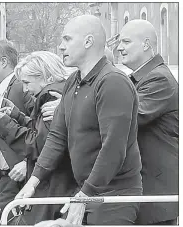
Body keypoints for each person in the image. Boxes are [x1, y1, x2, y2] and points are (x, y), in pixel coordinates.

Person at [16, 15, 143, 225]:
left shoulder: (112, 82)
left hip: (114, 197)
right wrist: (33, 182)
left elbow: (113, 148)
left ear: (88, 41)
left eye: (67, 39)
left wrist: (85, 195)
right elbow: (57, 137)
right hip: (85, 191)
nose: (60, 46)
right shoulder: (73, 81)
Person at [0, 51, 78, 224]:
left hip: (53, 185)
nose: (24, 89)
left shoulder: (50, 96)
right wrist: (18, 117)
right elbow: (43, 132)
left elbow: (39, 145)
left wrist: (5, 126)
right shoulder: (61, 94)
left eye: (26, 82)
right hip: (58, 183)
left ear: (45, 77)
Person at [117, 19, 178, 225]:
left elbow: (127, 117)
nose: (119, 47)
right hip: (146, 189)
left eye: (125, 41)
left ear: (145, 44)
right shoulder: (140, 78)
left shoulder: (159, 79)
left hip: (155, 193)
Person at [0, 39, 35, 218]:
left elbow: (40, 130)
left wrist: (27, 164)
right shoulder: (2, 91)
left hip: (17, 179)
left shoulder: (20, 88)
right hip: (6, 178)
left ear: (3, 62)